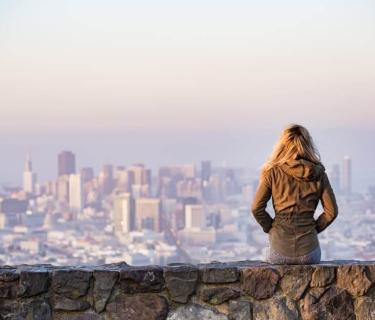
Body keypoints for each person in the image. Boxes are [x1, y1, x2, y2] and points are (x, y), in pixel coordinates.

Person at [251, 124, 338, 264]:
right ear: (308, 145)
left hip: (279, 250)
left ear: (282, 146)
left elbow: (256, 208)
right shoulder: (319, 174)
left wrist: (271, 228)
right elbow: (331, 212)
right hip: (310, 252)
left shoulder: (272, 173)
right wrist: (313, 229)